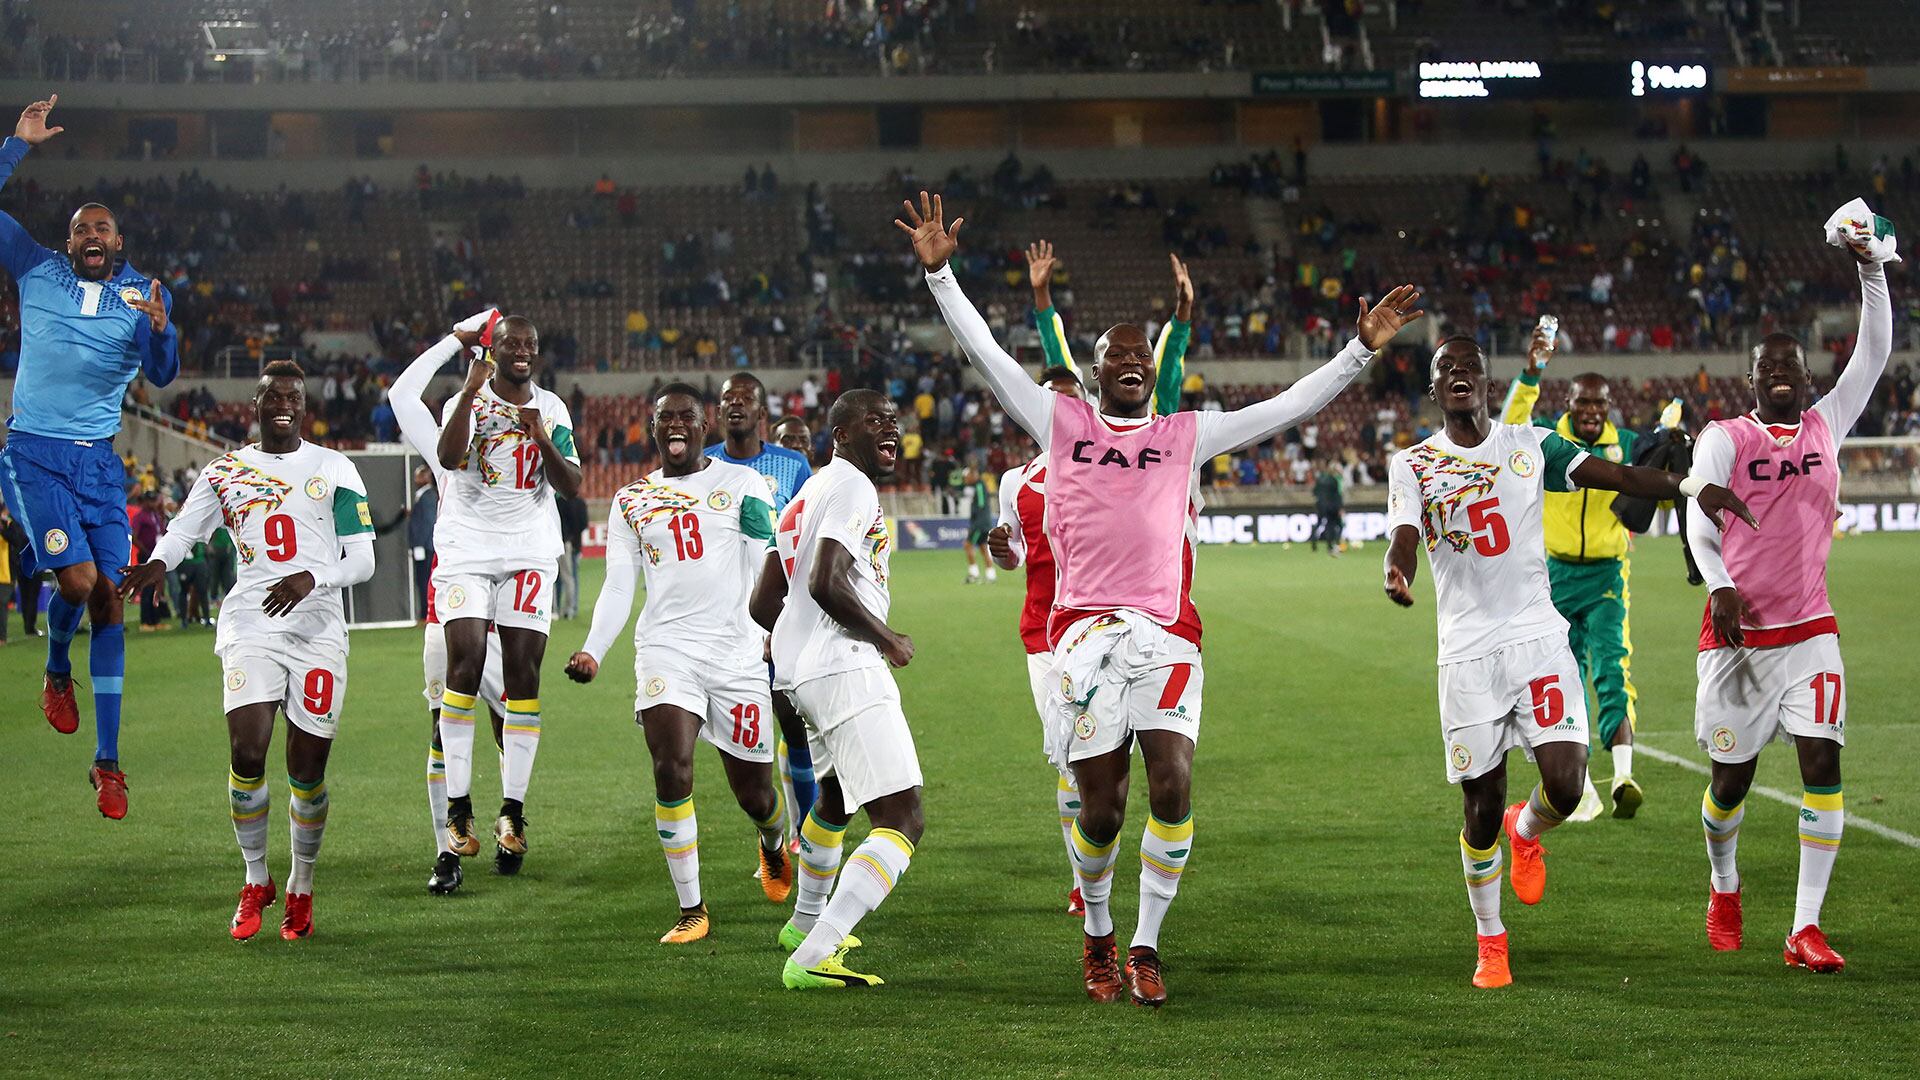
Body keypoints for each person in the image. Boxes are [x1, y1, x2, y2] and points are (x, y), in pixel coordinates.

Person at [907, 191, 1421, 1007]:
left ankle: (1145, 945)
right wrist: (941, 277)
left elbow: (1284, 408)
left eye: (1142, 352)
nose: (1131, 361)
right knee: (1103, 811)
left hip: (1168, 635)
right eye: (1116, 353)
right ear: (1096, 369)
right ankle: (1099, 930)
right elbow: (988, 356)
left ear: (1154, 366)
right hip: (1079, 637)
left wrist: (1357, 351)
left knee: (1174, 784)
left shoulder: (1185, 434)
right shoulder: (1061, 422)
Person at [1382, 336, 1753, 990]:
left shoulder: (1532, 445)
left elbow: (1619, 477)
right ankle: (1491, 940)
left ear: (1488, 383)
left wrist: (1694, 487)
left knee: (1568, 785)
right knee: (1478, 806)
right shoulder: (1411, 463)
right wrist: (1397, 568)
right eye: (1448, 371)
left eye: (1470, 366)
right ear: (1435, 391)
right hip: (1466, 656)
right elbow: (1405, 533)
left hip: (1538, 638)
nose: (1460, 376)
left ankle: (1526, 833)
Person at [1683, 229, 1891, 973]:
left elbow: (1873, 352)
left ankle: (1804, 929)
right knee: (1728, 787)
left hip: (1810, 632)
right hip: (1739, 636)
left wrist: (1870, 268)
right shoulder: (1725, 438)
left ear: (1806, 377)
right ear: (1750, 378)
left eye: (1790, 365)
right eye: (1766, 365)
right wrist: (1722, 587)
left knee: (1822, 765)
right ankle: (1724, 883)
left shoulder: (1826, 425)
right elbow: (1694, 519)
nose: (1779, 373)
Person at [118, 361, 376, 940]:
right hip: (251, 624)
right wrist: (158, 564)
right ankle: (255, 877)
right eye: (271, 396)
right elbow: (185, 532)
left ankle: (301, 887)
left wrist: (312, 577)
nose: (282, 403)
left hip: (317, 632)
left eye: (293, 396)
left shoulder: (334, 469)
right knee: (248, 750)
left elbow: (363, 559)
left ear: (304, 408)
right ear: (253, 407)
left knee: (306, 771)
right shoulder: (224, 471)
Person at [0, 95, 178, 819]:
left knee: (110, 598)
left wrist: (161, 333)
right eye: (80, 229)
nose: (91, 235)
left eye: (102, 227)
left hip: (99, 465)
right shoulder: (35, 269)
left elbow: (162, 374)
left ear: (121, 239)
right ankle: (53, 667)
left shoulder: (143, 295)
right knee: (75, 582)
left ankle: (108, 764)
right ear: (68, 242)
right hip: (34, 454)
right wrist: (17, 146)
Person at [566, 384, 792, 944]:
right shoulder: (630, 501)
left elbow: (767, 559)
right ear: (651, 426)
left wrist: (770, 635)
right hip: (666, 649)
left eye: (686, 418)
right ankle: (692, 908)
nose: (675, 426)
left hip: (736, 654)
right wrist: (595, 649)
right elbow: (620, 585)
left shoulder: (742, 484)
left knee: (756, 796)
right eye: (665, 418)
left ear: (705, 425)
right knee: (671, 767)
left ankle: (771, 844)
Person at [749, 390, 920, 990]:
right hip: (844, 664)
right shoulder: (852, 487)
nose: (889, 429)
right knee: (902, 817)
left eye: (894, 420)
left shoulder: (805, 493)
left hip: (798, 674)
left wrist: (799, 643)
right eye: (874, 420)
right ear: (841, 434)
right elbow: (824, 581)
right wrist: (886, 638)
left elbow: (761, 601)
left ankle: (802, 923)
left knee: (835, 801)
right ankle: (816, 952)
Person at [402, 310, 581, 880]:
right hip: (467, 551)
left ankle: (512, 813)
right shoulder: (468, 399)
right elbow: (451, 458)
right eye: (511, 343)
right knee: (465, 663)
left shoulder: (550, 408)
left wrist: (540, 439)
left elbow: (573, 484)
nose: (522, 351)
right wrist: (467, 394)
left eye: (530, 343)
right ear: (492, 349)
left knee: (523, 678)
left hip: (530, 550)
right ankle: (458, 810)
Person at [1502, 326, 1695, 820]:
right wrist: (1531, 372)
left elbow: (1654, 466)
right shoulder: (1548, 435)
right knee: (1565, 678)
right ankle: (1582, 783)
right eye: (1583, 403)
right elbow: (1508, 423)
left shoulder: (1628, 444)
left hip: (1609, 575)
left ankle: (1625, 775)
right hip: (1555, 576)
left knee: (1612, 669)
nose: (1591, 411)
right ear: (1569, 401)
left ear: (1609, 406)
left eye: (1599, 404)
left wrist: (1671, 437)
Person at [390, 318, 511, 894]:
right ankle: (447, 852)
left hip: (511, 609)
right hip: (451, 607)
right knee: (443, 726)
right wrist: (455, 343)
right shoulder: (447, 453)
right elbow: (399, 394)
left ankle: (510, 818)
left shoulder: (526, 434)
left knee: (511, 725)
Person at [707, 373, 819, 837]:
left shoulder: (792, 465)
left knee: (795, 730)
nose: (736, 404)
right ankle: (772, 835)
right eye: (727, 398)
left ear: (760, 413)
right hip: (721, 626)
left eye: (745, 398)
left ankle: (806, 840)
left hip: (777, 618)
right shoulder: (702, 463)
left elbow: (810, 534)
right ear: (717, 412)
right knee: (742, 742)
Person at [406, 464, 437, 619]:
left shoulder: (428, 496)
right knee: (422, 580)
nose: (415, 479)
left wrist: (420, 545)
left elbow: (427, 523)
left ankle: (427, 614)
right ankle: (425, 613)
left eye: (419, 475)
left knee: (425, 580)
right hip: (424, 546)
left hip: (425, 547)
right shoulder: (424, 495)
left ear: (426, 477)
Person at [960, 467, 997, 584]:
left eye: (966, 477)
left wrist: (975, 522)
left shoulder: (979, 485)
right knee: (983, 548)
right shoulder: (978, 485)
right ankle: (991, 575)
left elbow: (980, 504)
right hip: (984, 522)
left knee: (967, 545)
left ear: (972, 476)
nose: (965, 480)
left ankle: (973, 574)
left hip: (980, 524)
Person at [1311, 457, 1345, 555]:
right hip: (1332, 506)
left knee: (1319, 524)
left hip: (1320, 505)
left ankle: (1314, 542)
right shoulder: (1334, 480)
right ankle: (1334, 545)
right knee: (1336, 525)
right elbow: (1337, 495)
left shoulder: (1320, 479)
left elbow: (1314, 492)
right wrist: (1340, 507)